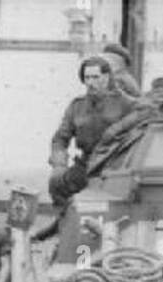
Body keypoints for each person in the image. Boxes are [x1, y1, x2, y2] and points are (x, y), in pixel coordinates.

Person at [49, 56, 138, 205]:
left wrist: (117, 128)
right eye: (87, 78)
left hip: (114, 165)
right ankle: (66, 223)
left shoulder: (125, 103)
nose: (90, 83)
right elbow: (60, 138)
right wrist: (59, 164)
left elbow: (146, 112)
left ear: (107, 77)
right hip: (86, 165)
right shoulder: (77, 106)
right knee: (57, 184)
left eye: (95, 77)